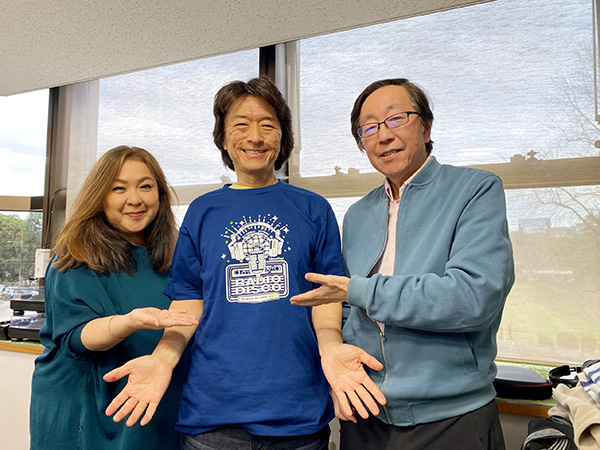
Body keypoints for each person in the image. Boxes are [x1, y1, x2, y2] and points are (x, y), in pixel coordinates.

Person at [103, 77, 362, 450]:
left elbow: (327, 296)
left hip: (296, 413)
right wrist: (162, 359)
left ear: (282, 137)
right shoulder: (202, 211)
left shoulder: (313, 208)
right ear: (223, 139)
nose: (255, 137)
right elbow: (189, 301)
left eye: (267, 125)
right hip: (212, 417)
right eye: (241, 125)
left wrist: (332, 347)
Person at [290, 78, 515, 450]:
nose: (383, 135)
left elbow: (473, 297)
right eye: (369, 128)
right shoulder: (358, 214)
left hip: (453, 417)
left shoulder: (475, 189)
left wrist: (359, 290)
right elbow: (346, 309)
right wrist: (337, 366)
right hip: (366, 413)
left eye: (396, 119)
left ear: (426, 127)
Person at [30, 146, 199, 450]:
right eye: (119, 188)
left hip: (156, 401)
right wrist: (129, 322)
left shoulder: (176, 257)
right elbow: (77, 337)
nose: (135, 199)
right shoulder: (75, 257)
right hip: (88, 406)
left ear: (160, 195)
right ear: (100, 196)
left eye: (145, 186)